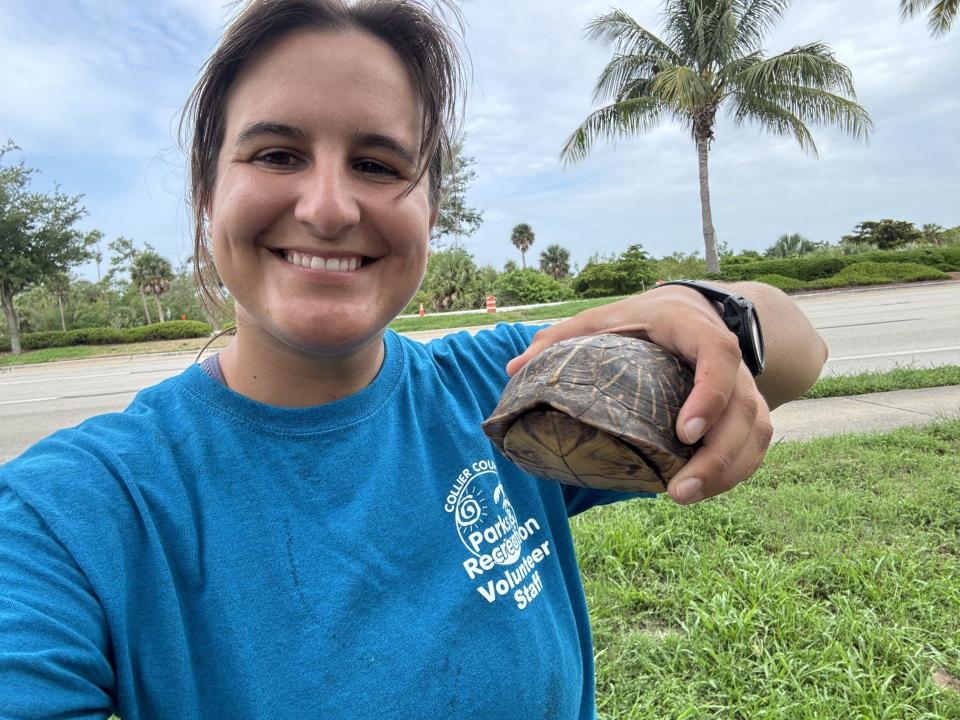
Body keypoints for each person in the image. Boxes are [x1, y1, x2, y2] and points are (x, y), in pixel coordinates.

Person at [0, 1, 827, 717]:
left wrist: (705, 309)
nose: (327, 207)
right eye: (277, 154)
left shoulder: (510, 379)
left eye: (377, 164)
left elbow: (801, 352)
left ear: (431, 205)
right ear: (207, 193)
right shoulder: (73, 513)